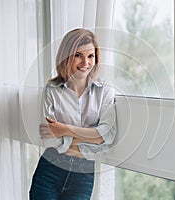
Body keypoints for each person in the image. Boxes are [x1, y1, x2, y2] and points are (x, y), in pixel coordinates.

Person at [29, 28, 117, 200]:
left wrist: (64, 129)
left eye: (91, 56)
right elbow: (49, 137)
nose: (85, 62)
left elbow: (106, 136)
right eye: (78, 55)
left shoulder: (105, 91)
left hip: (82, 175)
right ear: (66, 56)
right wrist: (91, 136)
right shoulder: (52, 90)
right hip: (50, 169)